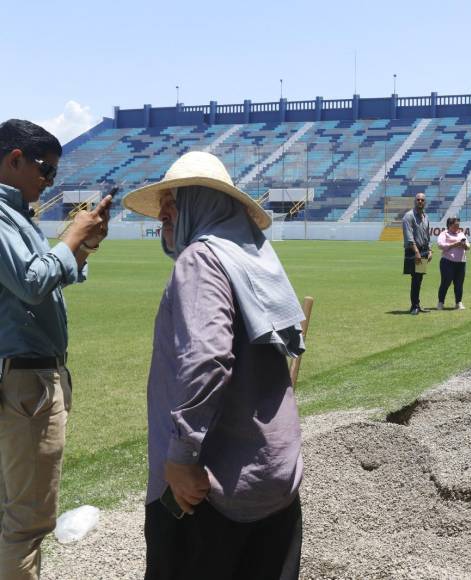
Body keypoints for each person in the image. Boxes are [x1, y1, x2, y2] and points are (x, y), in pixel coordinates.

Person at [123, 151, 305, 580]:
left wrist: (182, 455)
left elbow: (209, 359)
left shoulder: (201, 259)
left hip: (210, 489)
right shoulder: (255, 257)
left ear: (204, 204)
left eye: (176, 200)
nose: (165, 212)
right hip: (272, 475)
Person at [0, 119, 111, 579]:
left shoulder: (17, 214)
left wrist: (80, 248)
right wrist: (69, 238)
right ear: (14, 159)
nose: (50, 181)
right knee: (27, 522)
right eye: (46, 170)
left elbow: (39, 282)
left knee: (13, 513)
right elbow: (31, 283)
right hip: (26, 381)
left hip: (27, 379)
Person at [402, 192, 432, 315]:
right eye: (418, 200)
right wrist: (417, 252)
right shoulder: (408, 216)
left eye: (422, 200)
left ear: (425, 202)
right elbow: (409, 237)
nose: (420, 201)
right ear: (415, 201)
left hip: (423, 250)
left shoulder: (426, 217)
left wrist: (430, 250)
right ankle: (414, 306)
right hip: (414, 250)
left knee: (419, 278)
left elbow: (427, 236)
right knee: (415, 278)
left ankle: (417, 304)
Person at [436, 217, 469, 310]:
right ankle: (440, 302)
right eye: (455, 225)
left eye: (458, 225)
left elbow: (468, 247)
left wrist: (464, 245)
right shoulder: (444, 234)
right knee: (445, 283)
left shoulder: (461, 234)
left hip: (461, 262)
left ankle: (458, 302)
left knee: (459, 283)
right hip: (447, 262)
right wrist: (454, 244)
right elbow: (440, 245)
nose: (457, 227)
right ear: (449, 225)